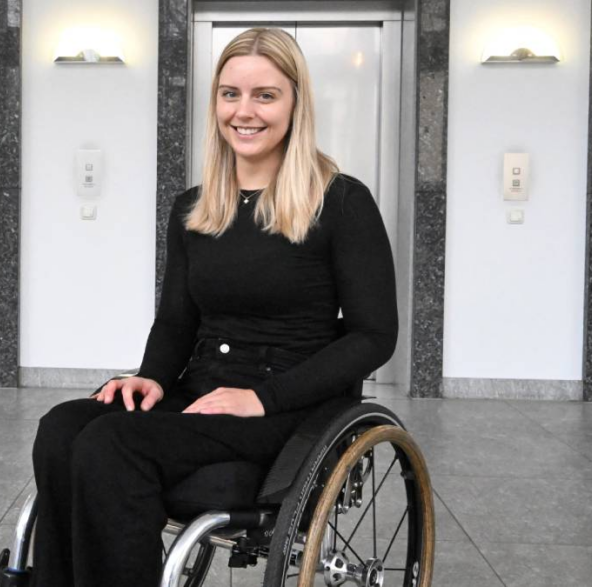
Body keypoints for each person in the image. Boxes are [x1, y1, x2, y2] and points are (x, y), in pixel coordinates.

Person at [29, 27, 397, 587]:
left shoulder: (341, 202)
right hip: (204, 392)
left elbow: (374, 336)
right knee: (61, 427)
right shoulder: (195, 208)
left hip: (286, 407)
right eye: (230, 94)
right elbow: (178, 319)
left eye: (265, 95)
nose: (243, 112)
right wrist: (152, 377)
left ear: (296, 103)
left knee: (112, 444)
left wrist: (262, 399)